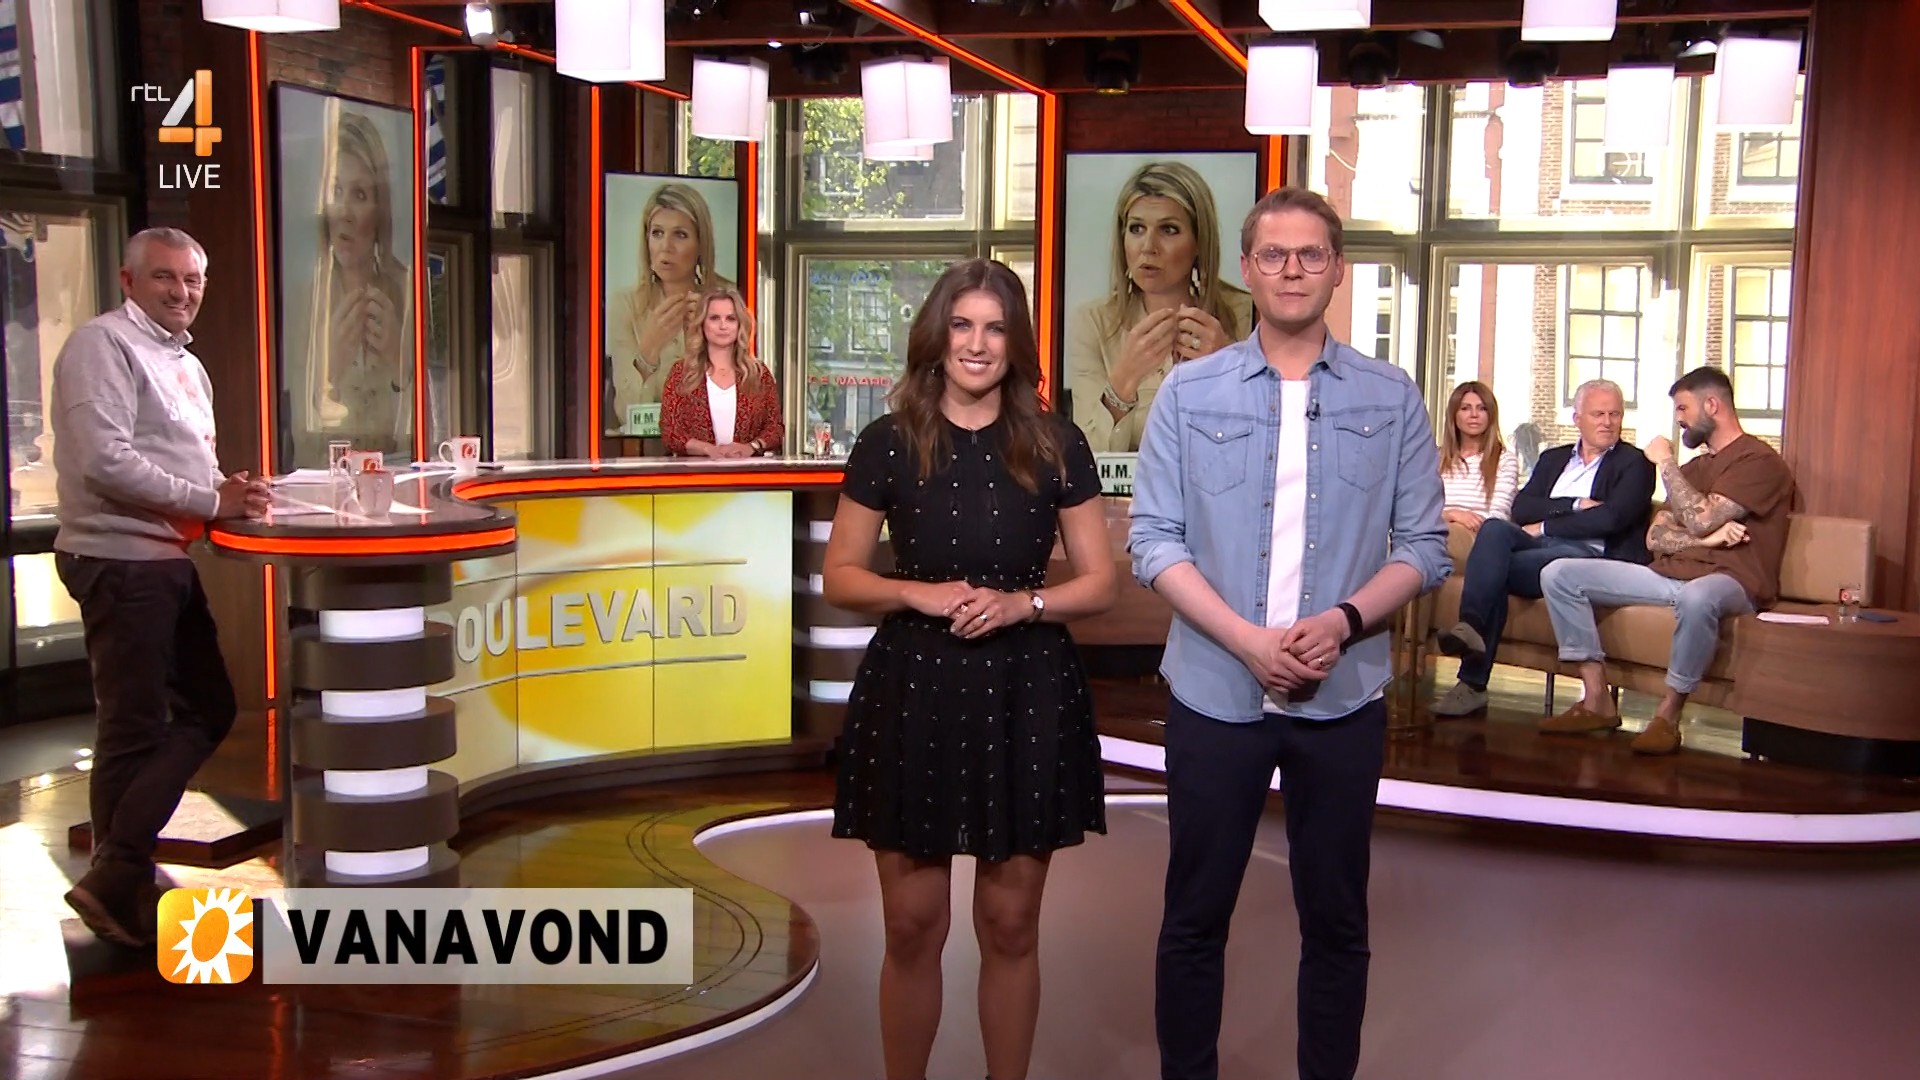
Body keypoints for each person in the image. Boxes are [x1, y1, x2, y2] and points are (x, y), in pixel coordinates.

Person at [1128, 188, 1449, 1080]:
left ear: (1337, 270)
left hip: (1342, 699)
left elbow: (1425, 547)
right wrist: (1247, 640)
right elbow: (1153, 541)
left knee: (1338, 924)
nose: (1293, 270)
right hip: (1214, 693)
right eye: (1274, 255)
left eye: (1311, 255)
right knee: (1194, 918)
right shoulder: (1190, 392)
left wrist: (1342, 622)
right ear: (1247, 269)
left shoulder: (1390, 396)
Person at [823, 258, 1118, 1080]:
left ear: (1016, 343)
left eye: (995, 328)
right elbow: (840, 576)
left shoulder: (1057, 443)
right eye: (962, 325)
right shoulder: (888, 442)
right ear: (937, 336)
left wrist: (1026, 604)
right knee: (912, 926)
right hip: (914, 691)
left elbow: (1101, 583)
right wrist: (916, 591)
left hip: (1026, 691)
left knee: (1011, 925)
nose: (978, 344)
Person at [50, 227, 270, 946]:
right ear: (128, 280)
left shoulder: (186, 364)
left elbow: (182, 462)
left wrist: (229, 490)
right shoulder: (101, 346)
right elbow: (104, 461)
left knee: (205, 708)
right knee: (134, 728)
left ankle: (118, 874)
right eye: (165, 278)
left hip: (164, 557)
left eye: (192, 280)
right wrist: (210, 502)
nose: (182, 292)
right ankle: (120, 878)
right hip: (118, 560)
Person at [1538, 366, 1796, 754]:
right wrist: (1708, 537)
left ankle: (1668, 717)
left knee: (1697, 596)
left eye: (1683, 408)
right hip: (1669, 575)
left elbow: (1700, 517)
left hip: (1732, 579)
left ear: (1712, 405)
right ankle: (1596, 699)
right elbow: (1655, 537)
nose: (1679, 419)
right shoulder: (1695, 469)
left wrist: (1666, 464)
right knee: (1559, 574)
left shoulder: (1759, 462)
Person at [1431, 379, 1656, 717]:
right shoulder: (1554, 459)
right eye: (1598, 414)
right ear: (1577, 418)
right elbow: (1523, 508)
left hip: (1588, 556)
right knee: (1494, 529)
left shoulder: (1635, 464)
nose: (1608, 422)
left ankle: (1472, 683)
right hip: (1540, 547)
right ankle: (1470, 626)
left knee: (1495, 573)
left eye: (1615, 414)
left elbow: (1611, 518)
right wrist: (1575, 504)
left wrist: (1548, 524)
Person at [1067, 161, 1253, 453]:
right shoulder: (1093, 323)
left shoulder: (1247, 315)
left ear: (1199, 242)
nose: (1148, 246)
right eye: (1136, 229)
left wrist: (1226, 368)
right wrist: (1124, 380)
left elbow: (1264, 441)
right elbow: (1086, 457)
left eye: (1168, 229)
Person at [305, 109, 413, 463]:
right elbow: (292, 442)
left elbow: (433, 430)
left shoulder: (407, 291)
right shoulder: (306, 298)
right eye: (336, 191)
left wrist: (400, 364)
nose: (345, 212)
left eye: (360, 195)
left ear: (380, 211)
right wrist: (329, 375)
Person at [609, 182, 736, 431]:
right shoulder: (625, 304)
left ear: (701, 244)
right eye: (657, 233)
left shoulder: (729, 300)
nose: (665, 247)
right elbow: (627, 415)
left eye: (680, 235)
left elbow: (740, 401)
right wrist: (648, 351)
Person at [659, 287, 783, 458]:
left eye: (731, 318)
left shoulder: (758, 374)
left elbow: (775, 429)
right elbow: (670, 432)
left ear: (740, 325)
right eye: (714, 318)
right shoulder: (682, 373)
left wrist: (751, 447)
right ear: (702, 324)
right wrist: (707, 449)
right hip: (696, 472)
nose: (723, 326)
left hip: (746, 472)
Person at [1438, 380, 1520, 533]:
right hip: (1435, 531)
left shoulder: (1504, 460)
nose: (1474, 415)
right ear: (1454, 415)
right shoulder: (1435, 459)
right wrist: (1451, 515)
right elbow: (1419, 510)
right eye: (1465, 408)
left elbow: (1498, 517)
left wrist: (1463, 521)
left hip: (1478, 535)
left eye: (1482, 409)